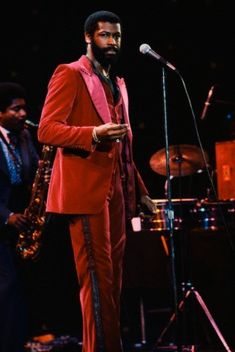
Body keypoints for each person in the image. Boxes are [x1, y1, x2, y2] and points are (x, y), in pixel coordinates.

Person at [38, 10, 156, 352]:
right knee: (97, 281)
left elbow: (124, 148)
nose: (113, 42)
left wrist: (142, 192)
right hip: (87, 191)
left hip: (118, 190)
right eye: (105, 35)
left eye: (117, 36)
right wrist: (93, 133)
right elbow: (47, 129)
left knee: (113, 282)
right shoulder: (70, 74)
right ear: (88, 37)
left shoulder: (116, 82)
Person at [0, 82, 39, 352]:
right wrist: (7, 216)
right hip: (3, 218)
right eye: (16, 109)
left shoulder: (24, 136)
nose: (23, 113)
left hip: (22, 220)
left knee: (21, 287)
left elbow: (35, 169)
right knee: (7, 286)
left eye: (24, 107)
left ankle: (19, 341)